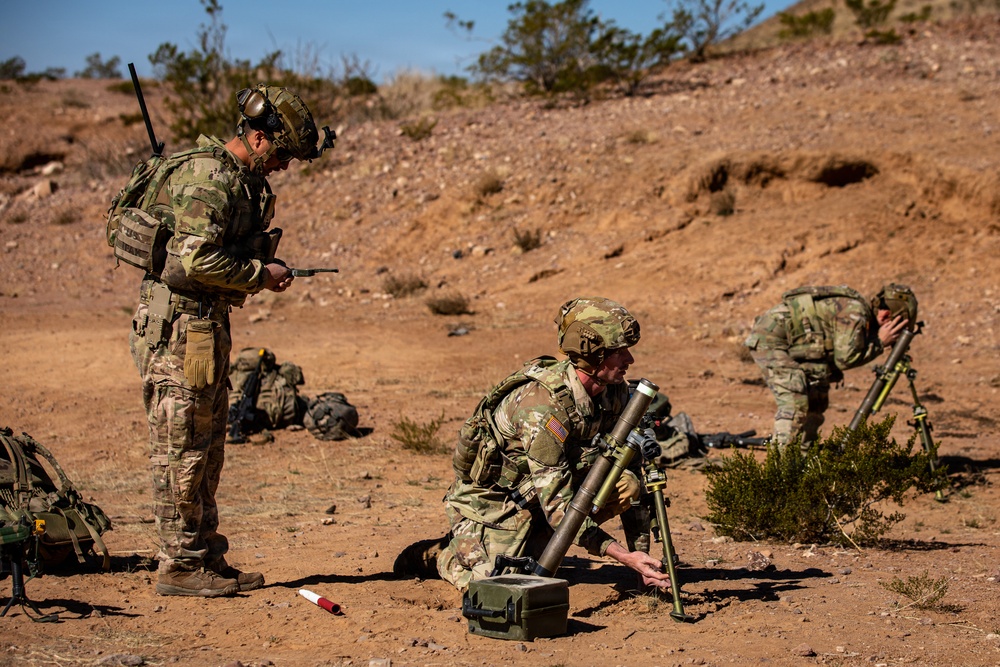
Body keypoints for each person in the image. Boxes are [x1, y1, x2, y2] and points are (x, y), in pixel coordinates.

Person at [127, 84, 333, 597]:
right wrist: (260, 274)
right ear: (258, 139)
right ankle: (178, 565)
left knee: (208, 447)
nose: (284, 165)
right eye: (282, 153)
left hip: (204, 327)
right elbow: (195, 258)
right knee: (182, 450)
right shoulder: (210, 178)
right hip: (179, 331)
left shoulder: (236, 180)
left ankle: (204, 556)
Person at [433, 297, 671, 592]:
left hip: (544, 498)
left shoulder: (614, 394)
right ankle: (443, 554)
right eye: (619, 352)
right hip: (495, 505)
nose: (629, 361)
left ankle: (535, 541)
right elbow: (559, 507)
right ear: (592, 353)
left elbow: (634, 474)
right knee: (497, 583)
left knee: (626, 483)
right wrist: (623, 556)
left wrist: (642, 562)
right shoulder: (542, 406)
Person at [744, 283, 917, 451]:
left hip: (797, 344)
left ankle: (804, 457)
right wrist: (879, 342)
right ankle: (781, 468)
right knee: (795, 400)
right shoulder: (855, 312)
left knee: (817, 398)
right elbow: (846, 358)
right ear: (886, 316)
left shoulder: (861, 316)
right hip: (771, 339)